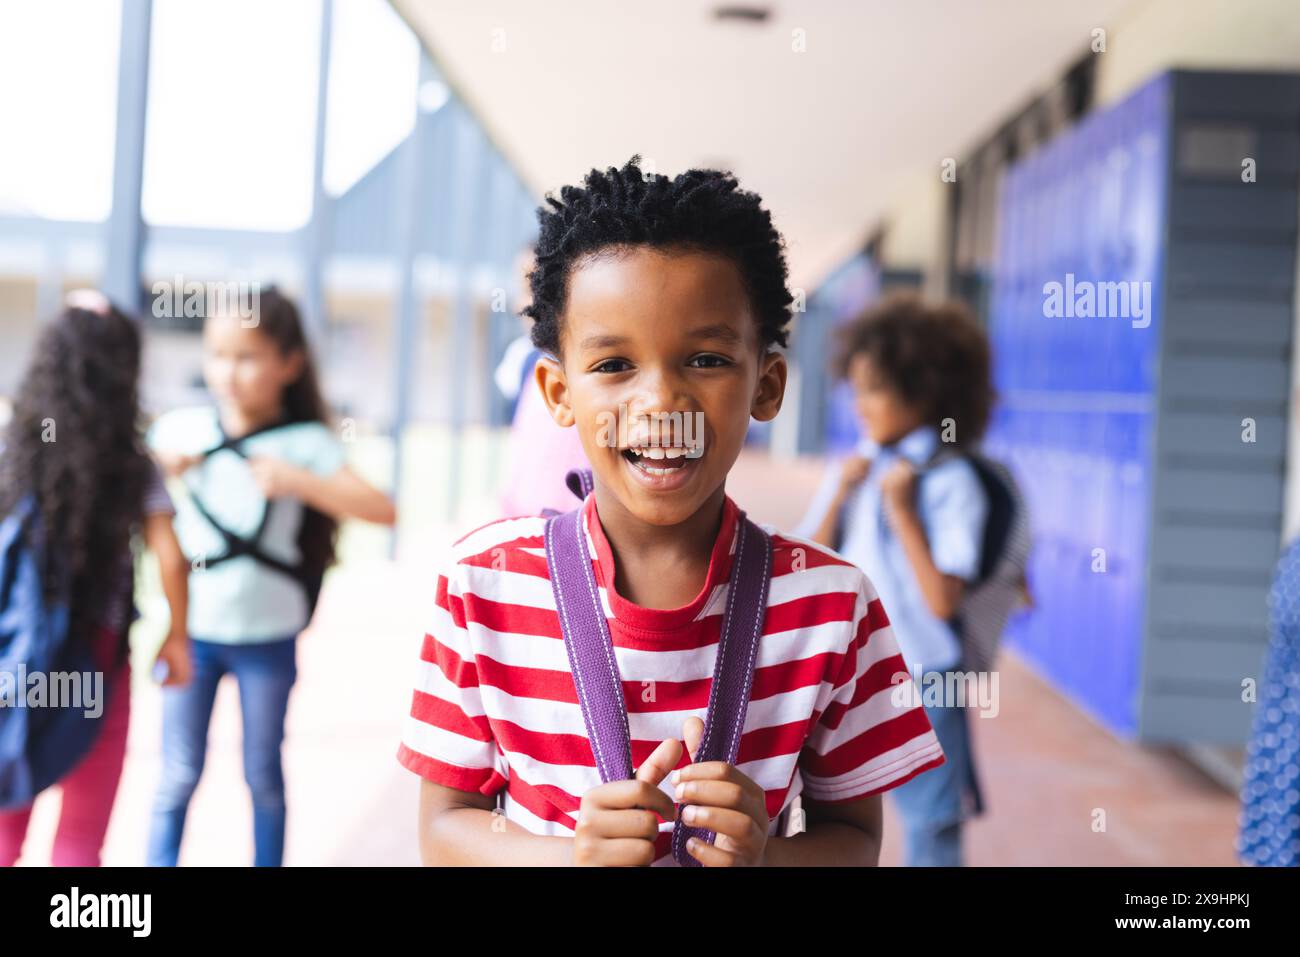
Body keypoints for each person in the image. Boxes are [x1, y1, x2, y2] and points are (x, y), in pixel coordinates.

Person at [398, 157, 946, 866]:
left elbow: (857, 838)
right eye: (613, 365)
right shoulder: (483, 585)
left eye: (707, 359)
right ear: (557, 393)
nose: (660, 403)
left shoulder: (833, 605)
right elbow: (443, 830)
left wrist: (767, 858)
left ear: (768, 385)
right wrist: (568, 858)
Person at [145, 287, 395, 867]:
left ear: (288, 364)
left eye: (247, 356)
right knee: (177, 774)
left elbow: (383, 508)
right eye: (218, 355)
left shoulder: (305, 443)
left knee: (262, 773)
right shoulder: (178, 431)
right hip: (191, 635)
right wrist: (165, 469)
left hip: (268, 638)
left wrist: (295, 480)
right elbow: (128, 494)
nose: (228, 372)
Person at [796, 291, 994, 866]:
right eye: (855, 389)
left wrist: (904, 514)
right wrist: (841, 491)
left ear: (923, 392)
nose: (860, 406)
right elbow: (809, 556)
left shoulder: (950, 481)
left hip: (924, 674)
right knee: (831, 809)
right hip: (853, 669)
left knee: (932, 820)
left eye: (875, 390)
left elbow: (941, 600)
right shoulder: (861, 465)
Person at [0, 290, 191, 867]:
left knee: (7, 827)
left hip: (15, 660)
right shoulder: (133, 463)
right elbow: (172, 557)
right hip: (98, 662)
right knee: (80, 840)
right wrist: (176, 636)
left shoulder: (13, 454)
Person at [496, 246, 590, 518]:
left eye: (535, 286)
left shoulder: (592, 374)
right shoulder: (526, 364)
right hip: (530, 532)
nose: (522, 304)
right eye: (523, 288)